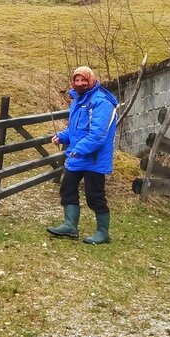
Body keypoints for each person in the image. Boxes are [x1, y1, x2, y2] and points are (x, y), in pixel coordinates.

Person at [47, 66, 118, 244]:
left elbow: (98, 135)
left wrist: (76, 150)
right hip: (77, 156)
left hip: (93, 158)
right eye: (76, 80)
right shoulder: (78, 101)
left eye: (83, 80)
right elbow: (76, 129)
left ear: (92, 80)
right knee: (67, 189)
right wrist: (62, 136)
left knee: (95, 195)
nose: (79, 83)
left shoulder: (101, 102)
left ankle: (103, 233)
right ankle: (70, 226)